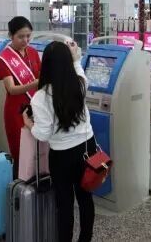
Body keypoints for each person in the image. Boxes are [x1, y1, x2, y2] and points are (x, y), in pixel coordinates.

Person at [22, 41, 95, 242]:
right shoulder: (80, 83)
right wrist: (75, 57)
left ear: (45, 65)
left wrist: (29, 124)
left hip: (62, 156)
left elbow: (43, 134)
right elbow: (78, 69)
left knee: (64, 204)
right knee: (85, 198)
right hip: (86, 148)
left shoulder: (40, 97)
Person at [0, 16, 41, 174]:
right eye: (21, 36)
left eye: (28, 36)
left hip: (36, 106)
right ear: (11, 35)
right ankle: (19, 184)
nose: (25, 40)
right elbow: (11, 89)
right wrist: (35, 84)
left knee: (38, 151)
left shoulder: (33, 53)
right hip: (16, 110)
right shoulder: (4, 58)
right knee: (20, 151)